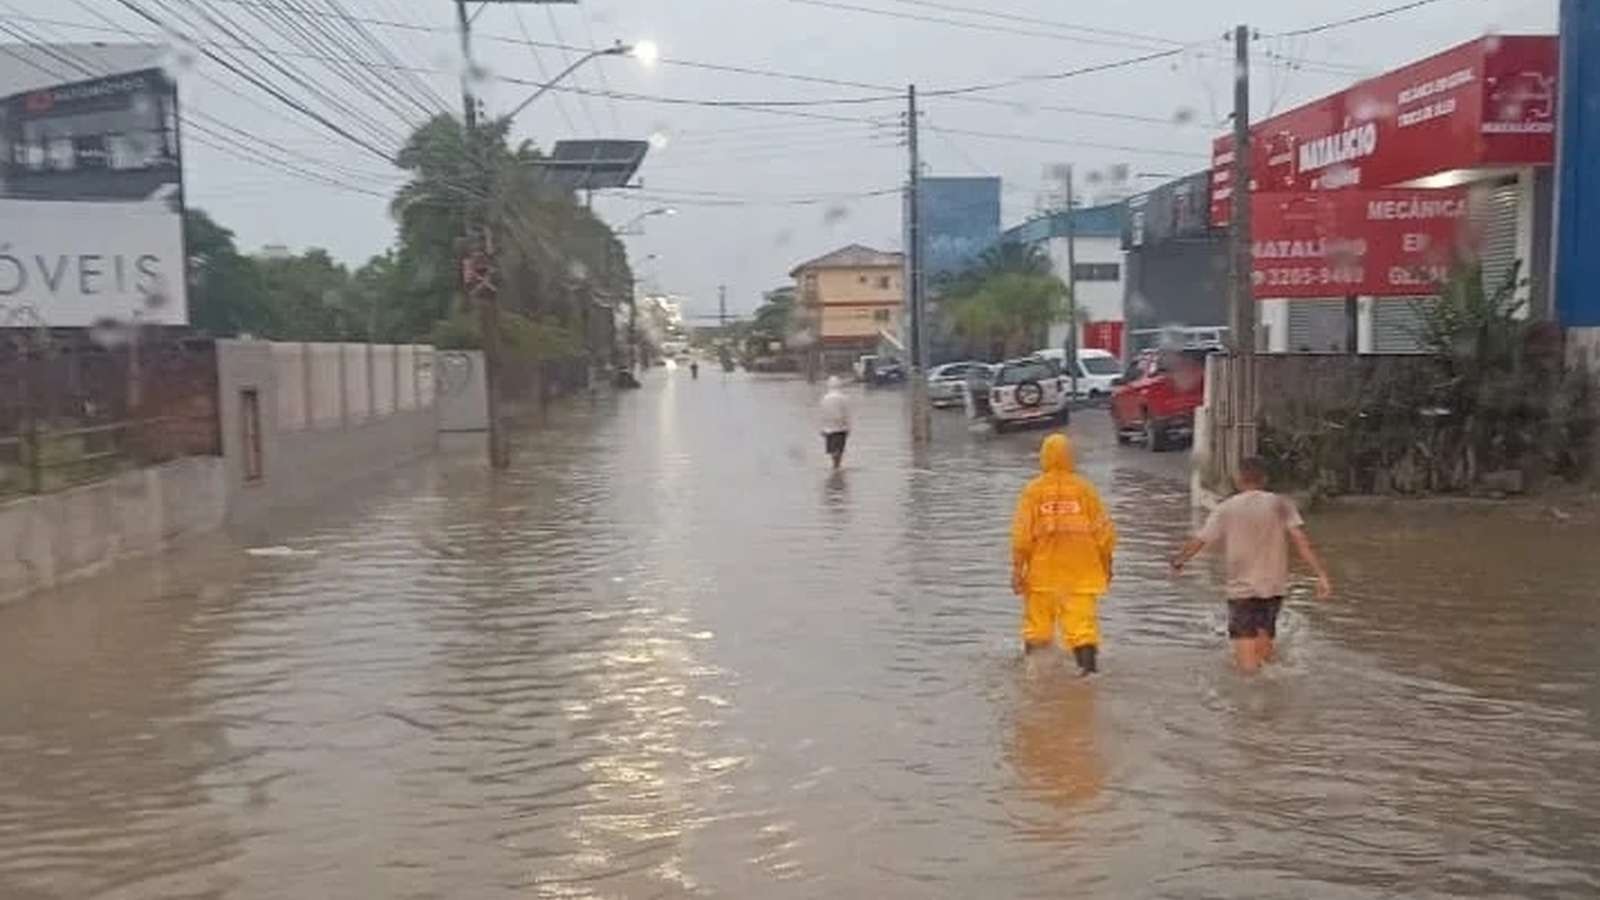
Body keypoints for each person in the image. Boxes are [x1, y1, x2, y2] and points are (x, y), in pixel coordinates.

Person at [1170, 456, 1334, 674]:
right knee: (1265, 658)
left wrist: (1178, 561)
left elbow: (1200, 541)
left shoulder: (1226, 508)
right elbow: (1301, 541)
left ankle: (1251, 703)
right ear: (1264, 479)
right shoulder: (1281, 504)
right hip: (1273, 588)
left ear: (1239, 479)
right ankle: (1270, 701)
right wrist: (1321, 575)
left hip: (1242, 591)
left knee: (1247, 669)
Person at [1011, 433, 1117, 675]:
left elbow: (1021, 535)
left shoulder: (1033, 491)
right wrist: (1107, 564)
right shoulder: (1085, 490)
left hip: (1042, 575)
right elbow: (1104, 533)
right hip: (1082, 575)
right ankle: (1088, 676)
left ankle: (1034, 679)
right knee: (1083, 629)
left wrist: (1017, 570)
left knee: (1037, 629)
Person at [818, 376, 851, 470]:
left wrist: (822, 428)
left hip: (829, 428)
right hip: (841, 428)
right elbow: (847, 414)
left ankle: (834, 465)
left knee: (832, 449)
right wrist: (849, 428)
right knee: (839, 449)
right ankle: (837, 466)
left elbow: (822, 414)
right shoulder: (844, 398)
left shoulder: (824, 398)